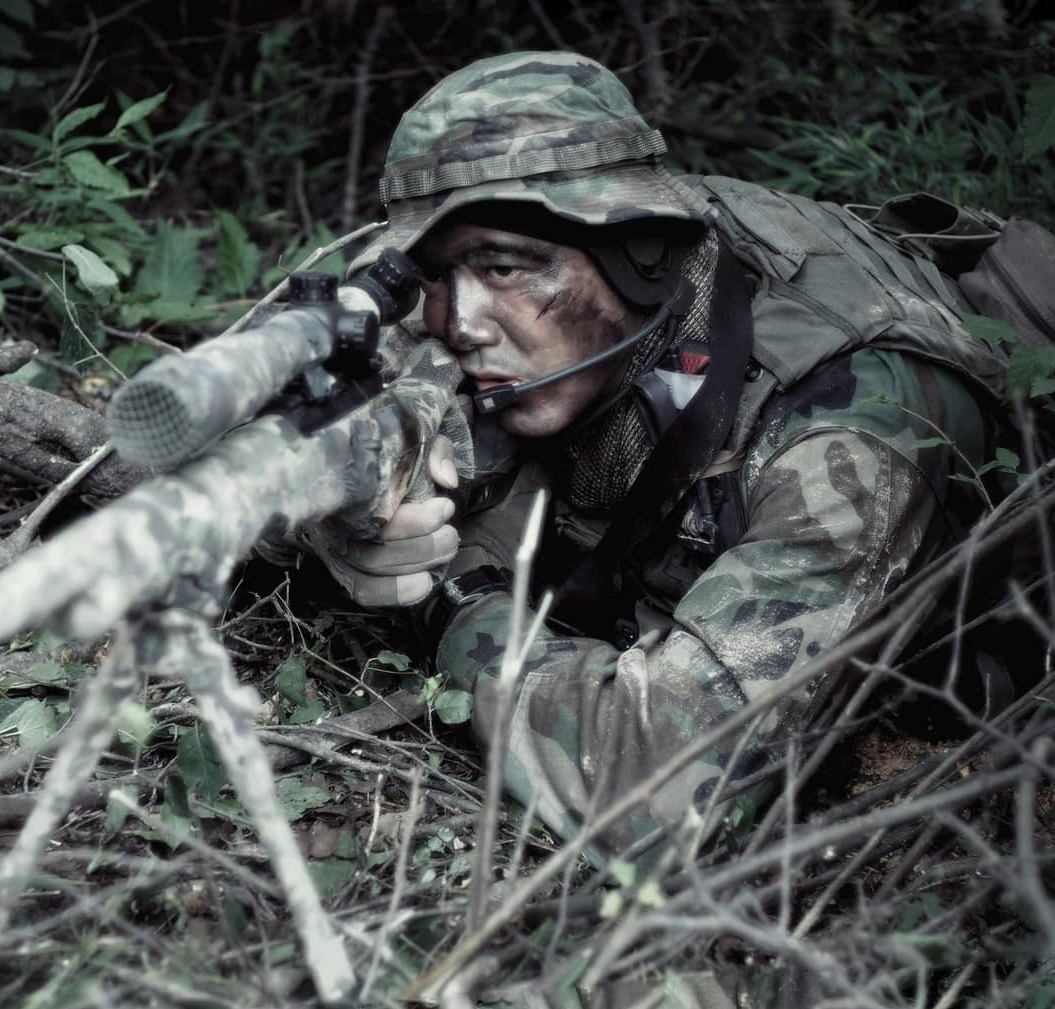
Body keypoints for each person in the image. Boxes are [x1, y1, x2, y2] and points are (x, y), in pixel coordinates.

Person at [315, 51, 1010, 855]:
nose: (462, 320)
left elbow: (652, 790)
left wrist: (453, 596)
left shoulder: (849, 424)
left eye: (503, 266)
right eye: (438, 272)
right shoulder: (544, 301)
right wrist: (338, 519)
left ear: (637, 253)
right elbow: (291, 428)